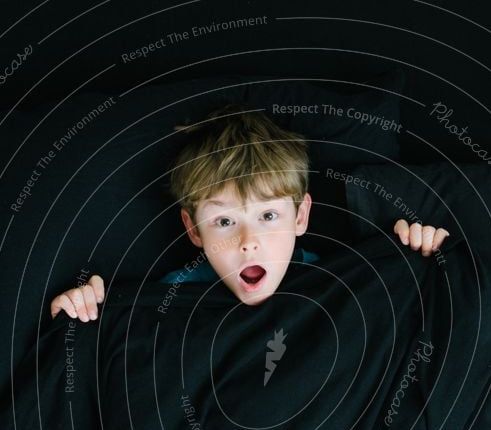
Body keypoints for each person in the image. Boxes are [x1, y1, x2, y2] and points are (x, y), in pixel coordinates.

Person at [50, 105, 450, 321]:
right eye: (224, 222)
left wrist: (422, 259)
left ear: (300, 216)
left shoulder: (334, 282)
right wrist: (81, 311)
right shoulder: (169, 299)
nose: (248, 243)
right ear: (193, 230)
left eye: (268, 216)